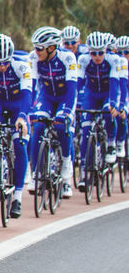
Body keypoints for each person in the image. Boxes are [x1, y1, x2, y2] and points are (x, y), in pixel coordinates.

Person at [27, 26, 80, 199]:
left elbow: (72, 90)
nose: (36, 52)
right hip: (47, 97)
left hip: (65, 97)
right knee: (39, 127)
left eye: (39, 48)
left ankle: (66, 165)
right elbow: (33, 87)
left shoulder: (68, 58)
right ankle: (36, 173)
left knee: (61, 127)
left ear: (51, 48)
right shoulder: (34, 58)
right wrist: (30, 111)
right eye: (35, 47)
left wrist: (68, 114)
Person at [0, 34, 33, 218]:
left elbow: (27, 96)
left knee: (19, 144)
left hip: (17, 107)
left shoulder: (22, 66)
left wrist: (22, 117)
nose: (1, 67)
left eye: (5, 63)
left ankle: (17, 197)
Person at [76, 31, 124, 176]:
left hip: (107, 93)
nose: (97, 56)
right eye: (93, 53)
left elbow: (114, 83)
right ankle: (84, 172)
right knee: (85, 131)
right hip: (91, 94)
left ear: (105, 51)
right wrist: (76, 103)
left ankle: (110, 144)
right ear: (88, 51)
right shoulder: (83, 60)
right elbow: (78, 83)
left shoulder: (114, 59)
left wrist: (113, 103)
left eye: (100, 53)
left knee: (108, 112)